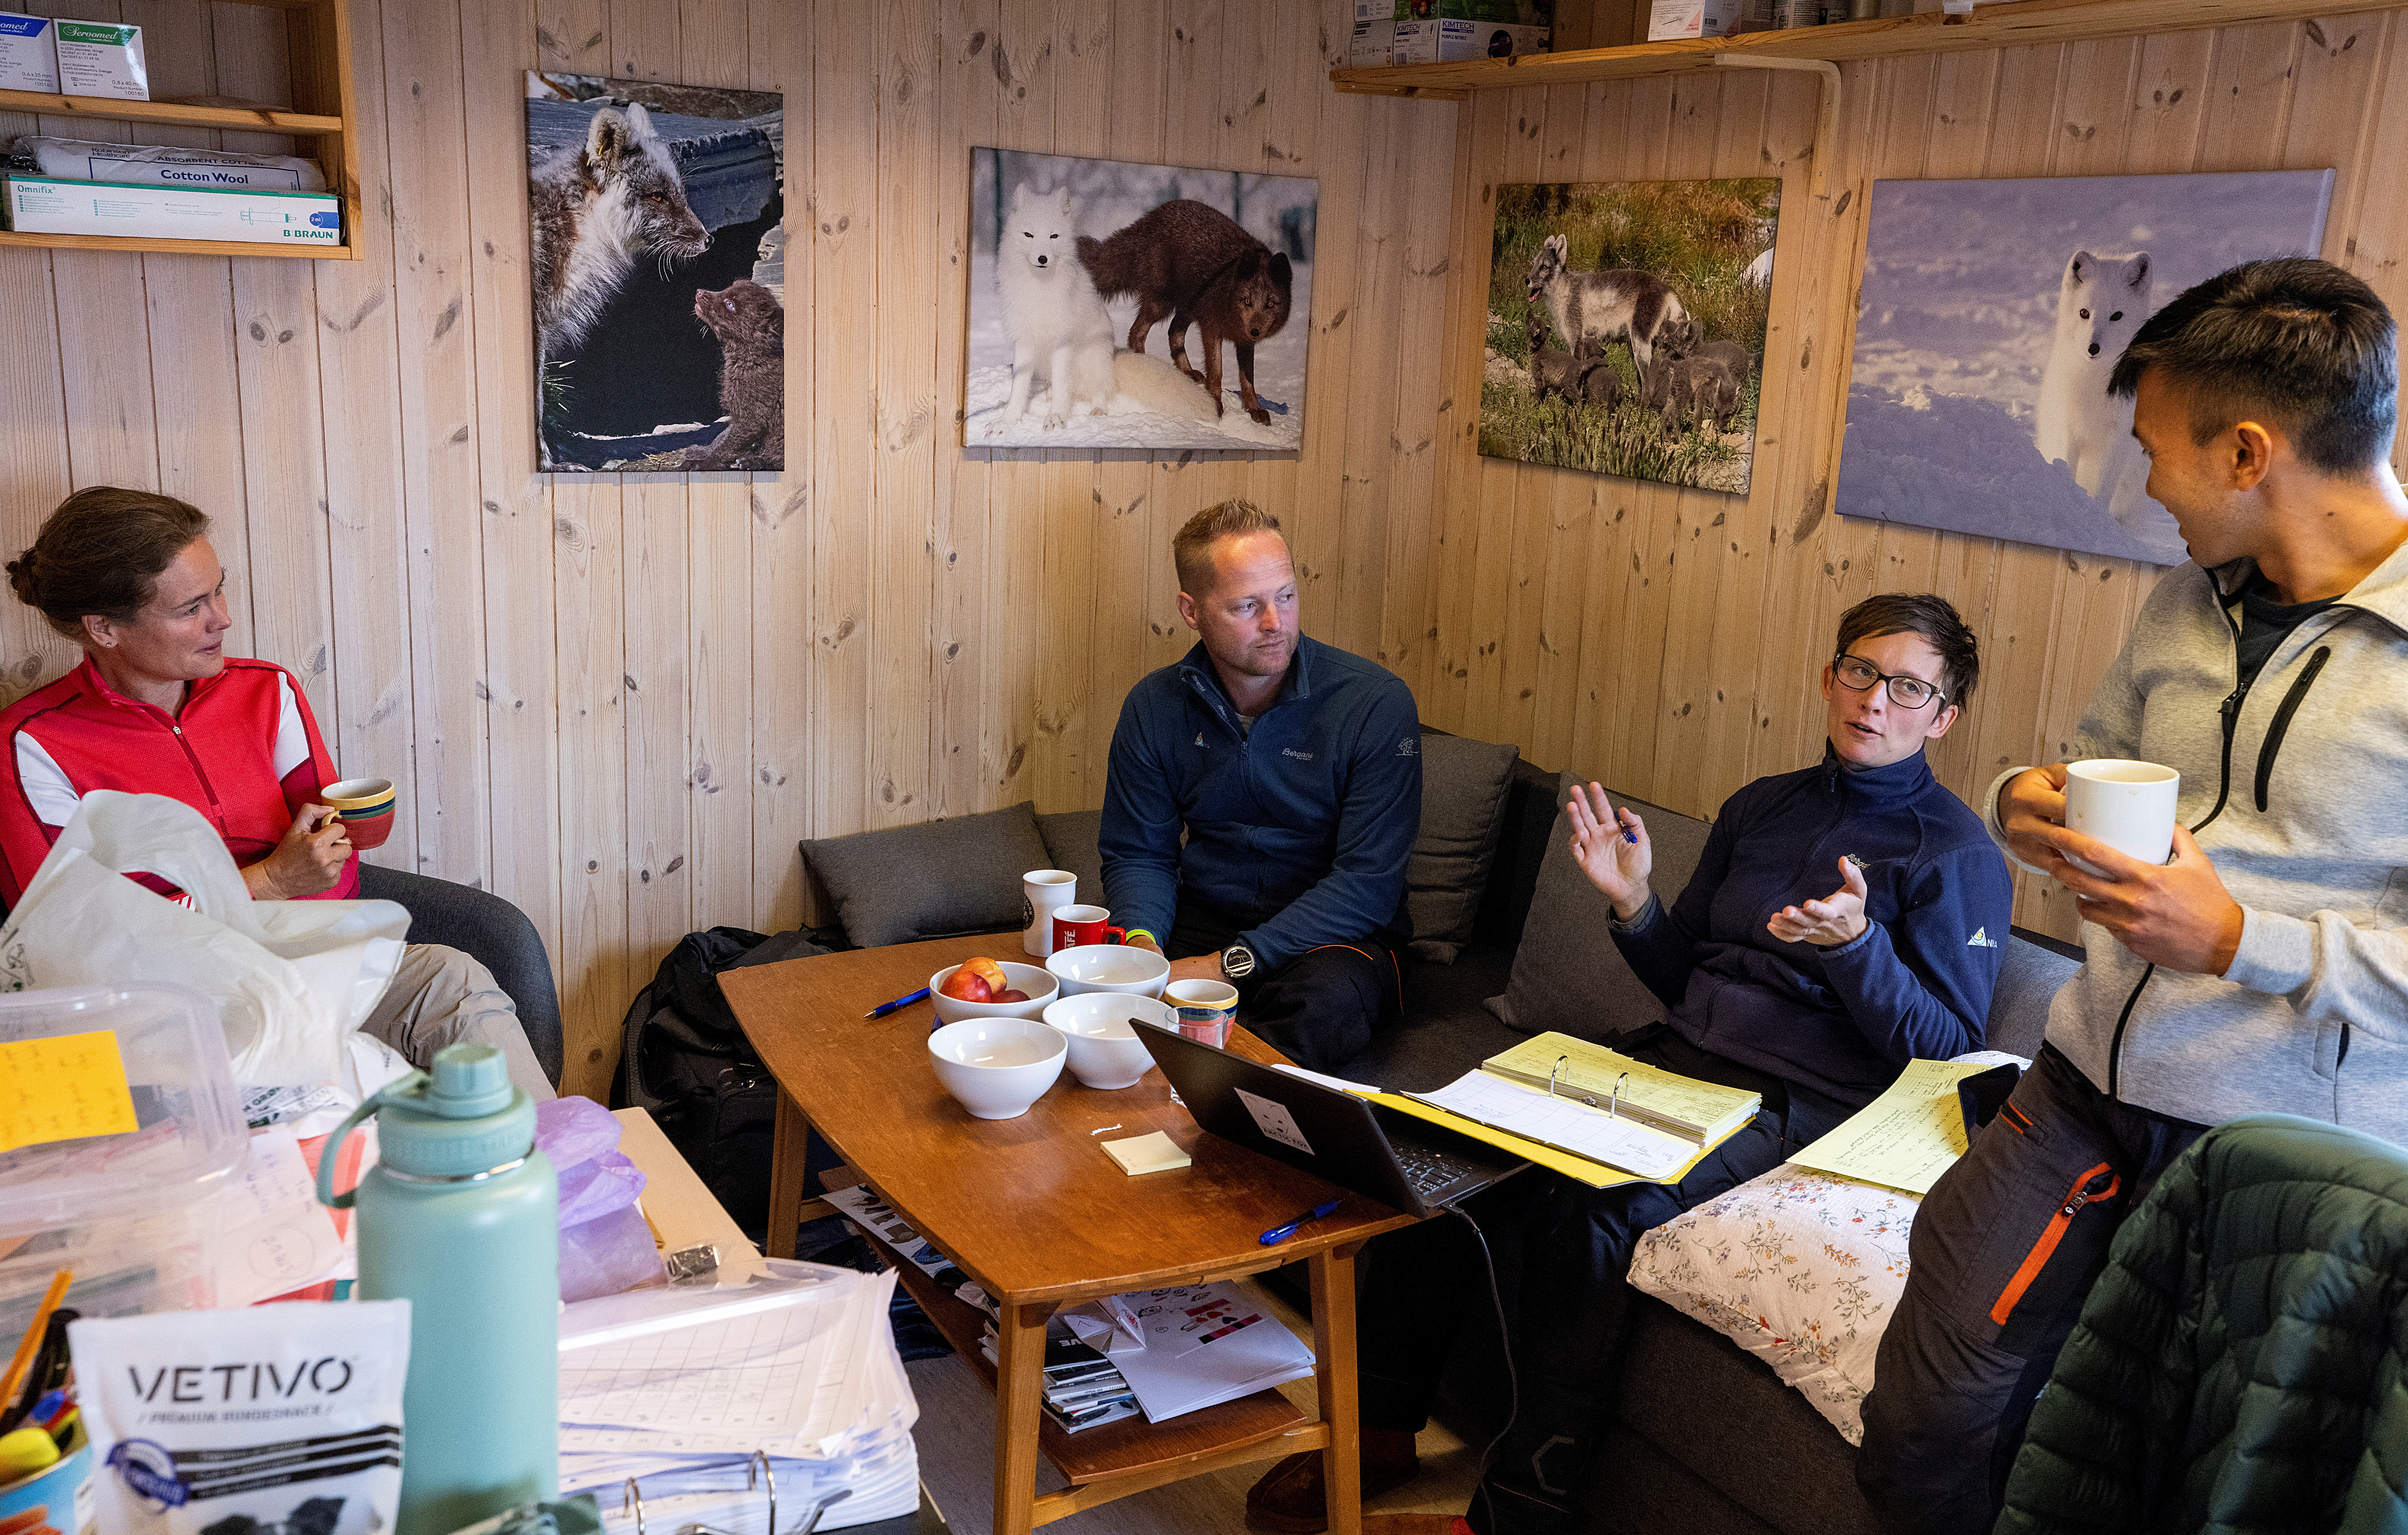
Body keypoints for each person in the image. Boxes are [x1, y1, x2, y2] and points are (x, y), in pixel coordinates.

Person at [1244, 594, 2016, 1535]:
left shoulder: (1958, 854)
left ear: (1944, 715)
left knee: (1598, 1215)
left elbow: (1947, 1052)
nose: (1875, 700)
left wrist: (1857, 947)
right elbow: (1681, 965)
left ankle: (1517, 1512)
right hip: (1672, 1061)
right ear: (1830, 674)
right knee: (1441, 1140)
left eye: (1908, 687)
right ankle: (1378, 1424)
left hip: (1800, 1103)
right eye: (1861, 670)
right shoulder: (1761, 805)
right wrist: (1635, 902)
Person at [1857, 257, 2408, 1533]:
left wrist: (2241, 940)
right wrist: (2015, 801)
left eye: (2158, 447)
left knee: (2171, 1473)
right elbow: (2080, 753)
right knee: (1931, 1417)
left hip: (2280, 1157)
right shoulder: (2185, 599)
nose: (2147, 480)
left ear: (2249, 451)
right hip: (2080, 1089)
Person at [0, 487, 554, 1100]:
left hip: (302, 968)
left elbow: (333, 867)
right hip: (158, 1018)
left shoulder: (267, 694)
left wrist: (302, 889)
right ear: (104, 627)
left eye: (219, 589)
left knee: (450, 977)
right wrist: (267, 882)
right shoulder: (31, 745)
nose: (223, 619)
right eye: (191, 607)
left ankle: (563, 1177)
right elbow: (78, 946)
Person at [1098, 498, 1422, 1072]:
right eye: (1248, 606)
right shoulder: (1154, 706)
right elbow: (1138, 854)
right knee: (1097, 993)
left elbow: (1368, 884)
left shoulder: (1374, 703)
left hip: (1337, 938)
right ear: (1191, 610)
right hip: (1206, 917)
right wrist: (1143, 948)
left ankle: (1221, 1125)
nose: (1276, 623)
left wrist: (1231, 963)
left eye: (1287, 596)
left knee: (1320, 1007)